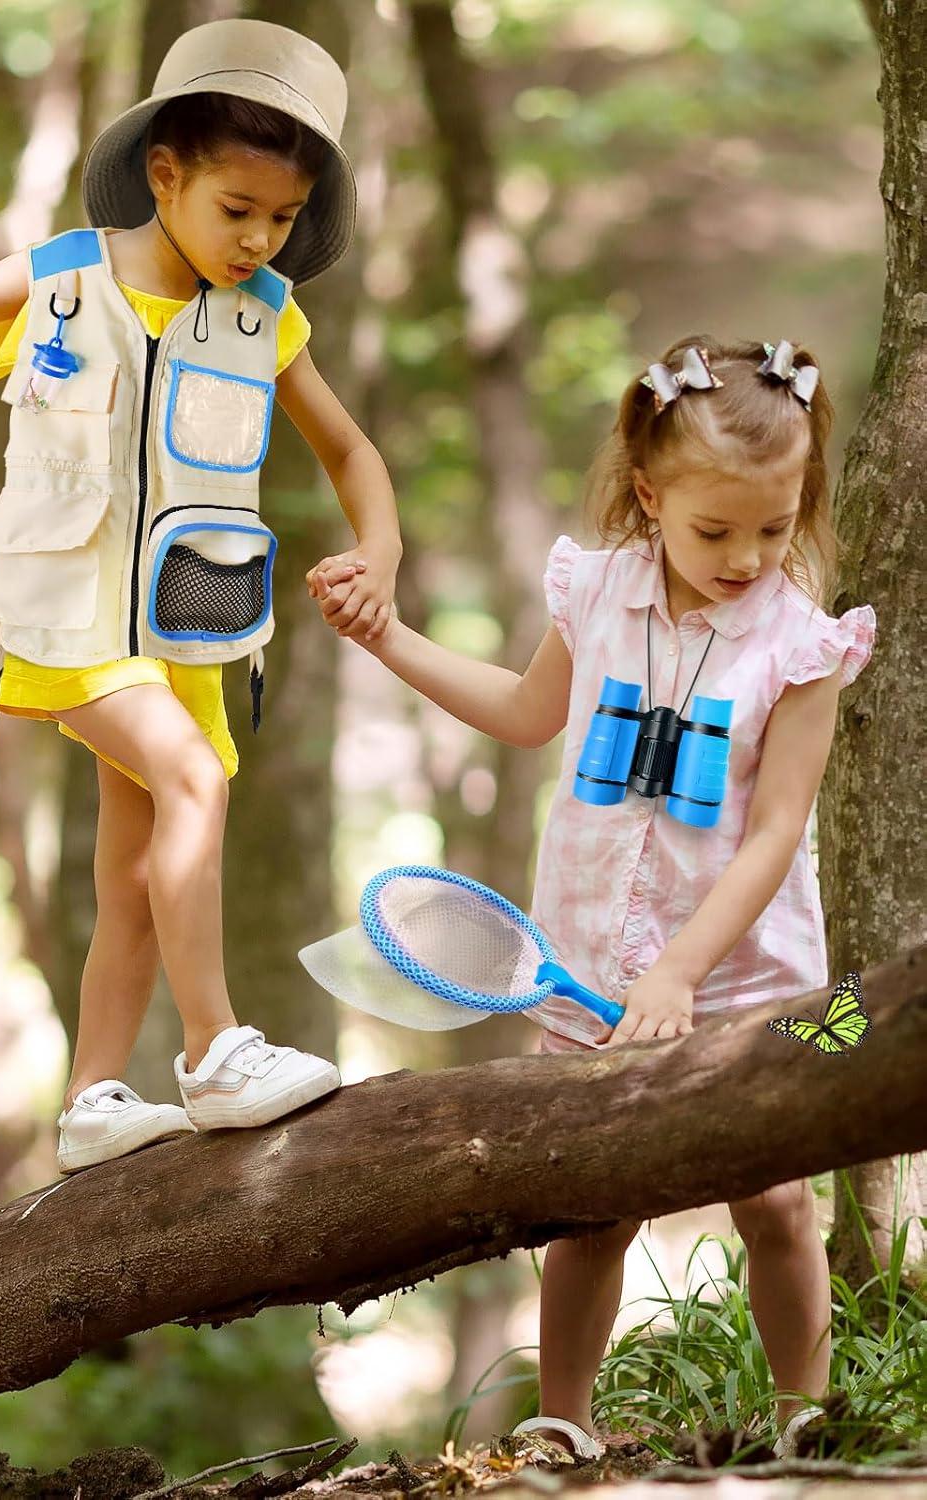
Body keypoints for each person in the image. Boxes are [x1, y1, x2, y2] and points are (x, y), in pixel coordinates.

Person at [0, 19, 402, 1172]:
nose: (258, 239)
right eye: (235, 209)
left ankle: (93, 1100)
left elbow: (349, 452)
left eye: (282, 219)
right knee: (193, 781)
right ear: (165, 175)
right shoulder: (60, 276)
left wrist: (380, 549)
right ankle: (213, 1051)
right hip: (68, 622)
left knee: (134, 881)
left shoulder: (267, 318)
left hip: (186, 631)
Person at [312, 337, 875, 1457]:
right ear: (649, 493)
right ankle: (562, 1423)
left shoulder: (801, 642)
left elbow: (775, 834)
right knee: (592, 1205)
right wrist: (392, 639)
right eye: (715, 530)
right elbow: (527, 714)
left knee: (776, 1204)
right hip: (591, 959)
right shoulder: (599, 590)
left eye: (774, 527)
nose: (747, 556)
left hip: (745, 971)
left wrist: (683, 971)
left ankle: (804, 1428)